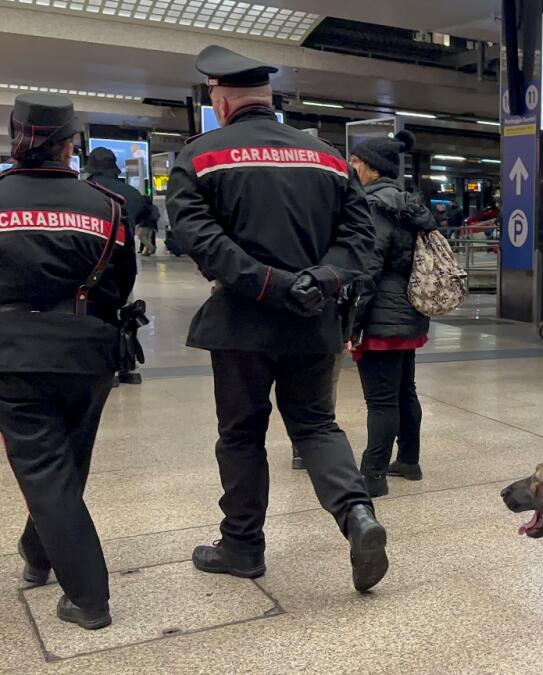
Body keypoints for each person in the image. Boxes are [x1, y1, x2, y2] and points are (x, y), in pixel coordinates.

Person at [167, 45, 388, 593]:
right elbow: (360, 241)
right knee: (315, 424)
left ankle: (242, 547)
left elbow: (200, 239)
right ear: (271, 98)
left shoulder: (199, 156)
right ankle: (358, 515)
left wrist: (267, 283)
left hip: (242, 323)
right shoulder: (330, 159)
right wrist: (319, 279)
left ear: (219, 99)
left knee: (241, 434)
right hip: (314, 318)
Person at [0, 93, 138, 629]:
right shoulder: (106, 205)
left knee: (43, 467)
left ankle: (89, 598)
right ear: (69, 143)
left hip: (12, 350)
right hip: (88, 350)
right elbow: (120, 287)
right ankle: (39, 554)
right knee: (67, 460)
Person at [347, 133, 436, 497]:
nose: (351, 167)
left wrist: (352, 323)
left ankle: (372, 473)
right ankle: (409, 460)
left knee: (381, 400)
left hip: (381, 314)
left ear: (369, 166)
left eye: (354, 161)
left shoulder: (374, 206)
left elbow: (367, 270)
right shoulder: (406, 203)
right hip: (409, 307)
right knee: (404, 391)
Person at [84, 147, 153, 386]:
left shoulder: (85, 191)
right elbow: (150, 214)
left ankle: (105, 369)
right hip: (125, 263)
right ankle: (127, 368)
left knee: (96, 315)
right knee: (128, 315)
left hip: (92, 265)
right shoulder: (132, 193)